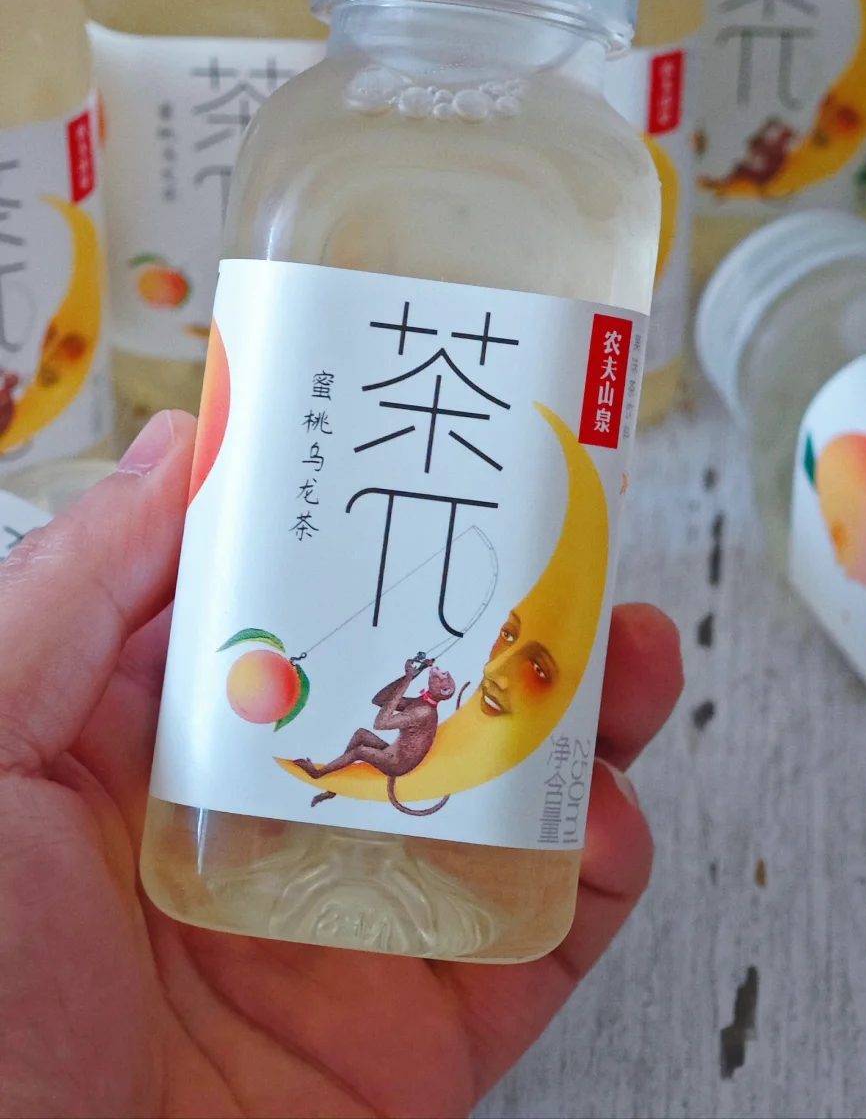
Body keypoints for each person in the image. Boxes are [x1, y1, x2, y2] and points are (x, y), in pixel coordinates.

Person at [0, 410, 682, 1117]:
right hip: (211, 903)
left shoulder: (432, 715)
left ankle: (322, 778)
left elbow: (391, 720)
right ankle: (322, 778)